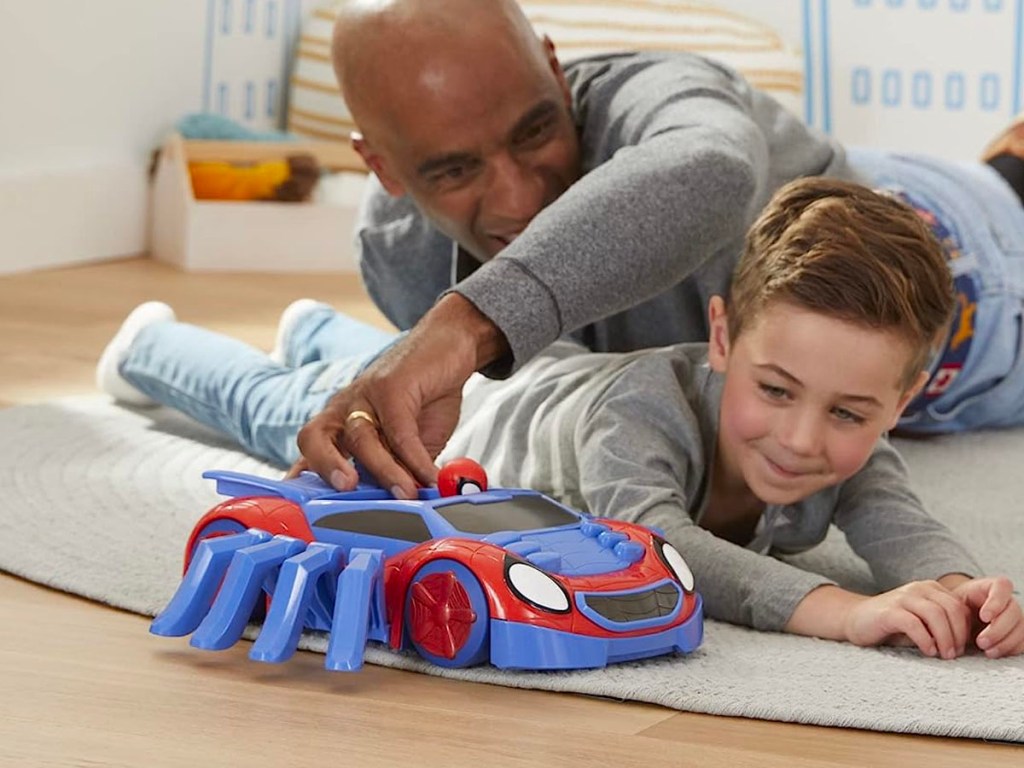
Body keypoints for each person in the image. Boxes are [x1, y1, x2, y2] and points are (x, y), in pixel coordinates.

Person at [96, 177, 1024, 658]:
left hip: (561, 381)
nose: (799, 439)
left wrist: (965, 595)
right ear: (722, 339)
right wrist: (842, 613)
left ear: (901, 403)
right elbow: (656, 545)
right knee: (295, 411)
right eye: (774, 390)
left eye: (851, 413)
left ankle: (318, 330)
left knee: (349, 358)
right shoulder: (645, 413)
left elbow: (905, 526)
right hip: (475, 428)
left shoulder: (858, 445)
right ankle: (151, 345)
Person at [289, 0, 1024, 500]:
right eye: (453, 171)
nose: (517, 199)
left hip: (963, 259)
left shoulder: (661, 94)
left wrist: (463, 326)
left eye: (535, 131)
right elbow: (567, 414)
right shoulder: (397, 257)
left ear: (554, 67)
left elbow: (716, 167)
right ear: (380, 168)